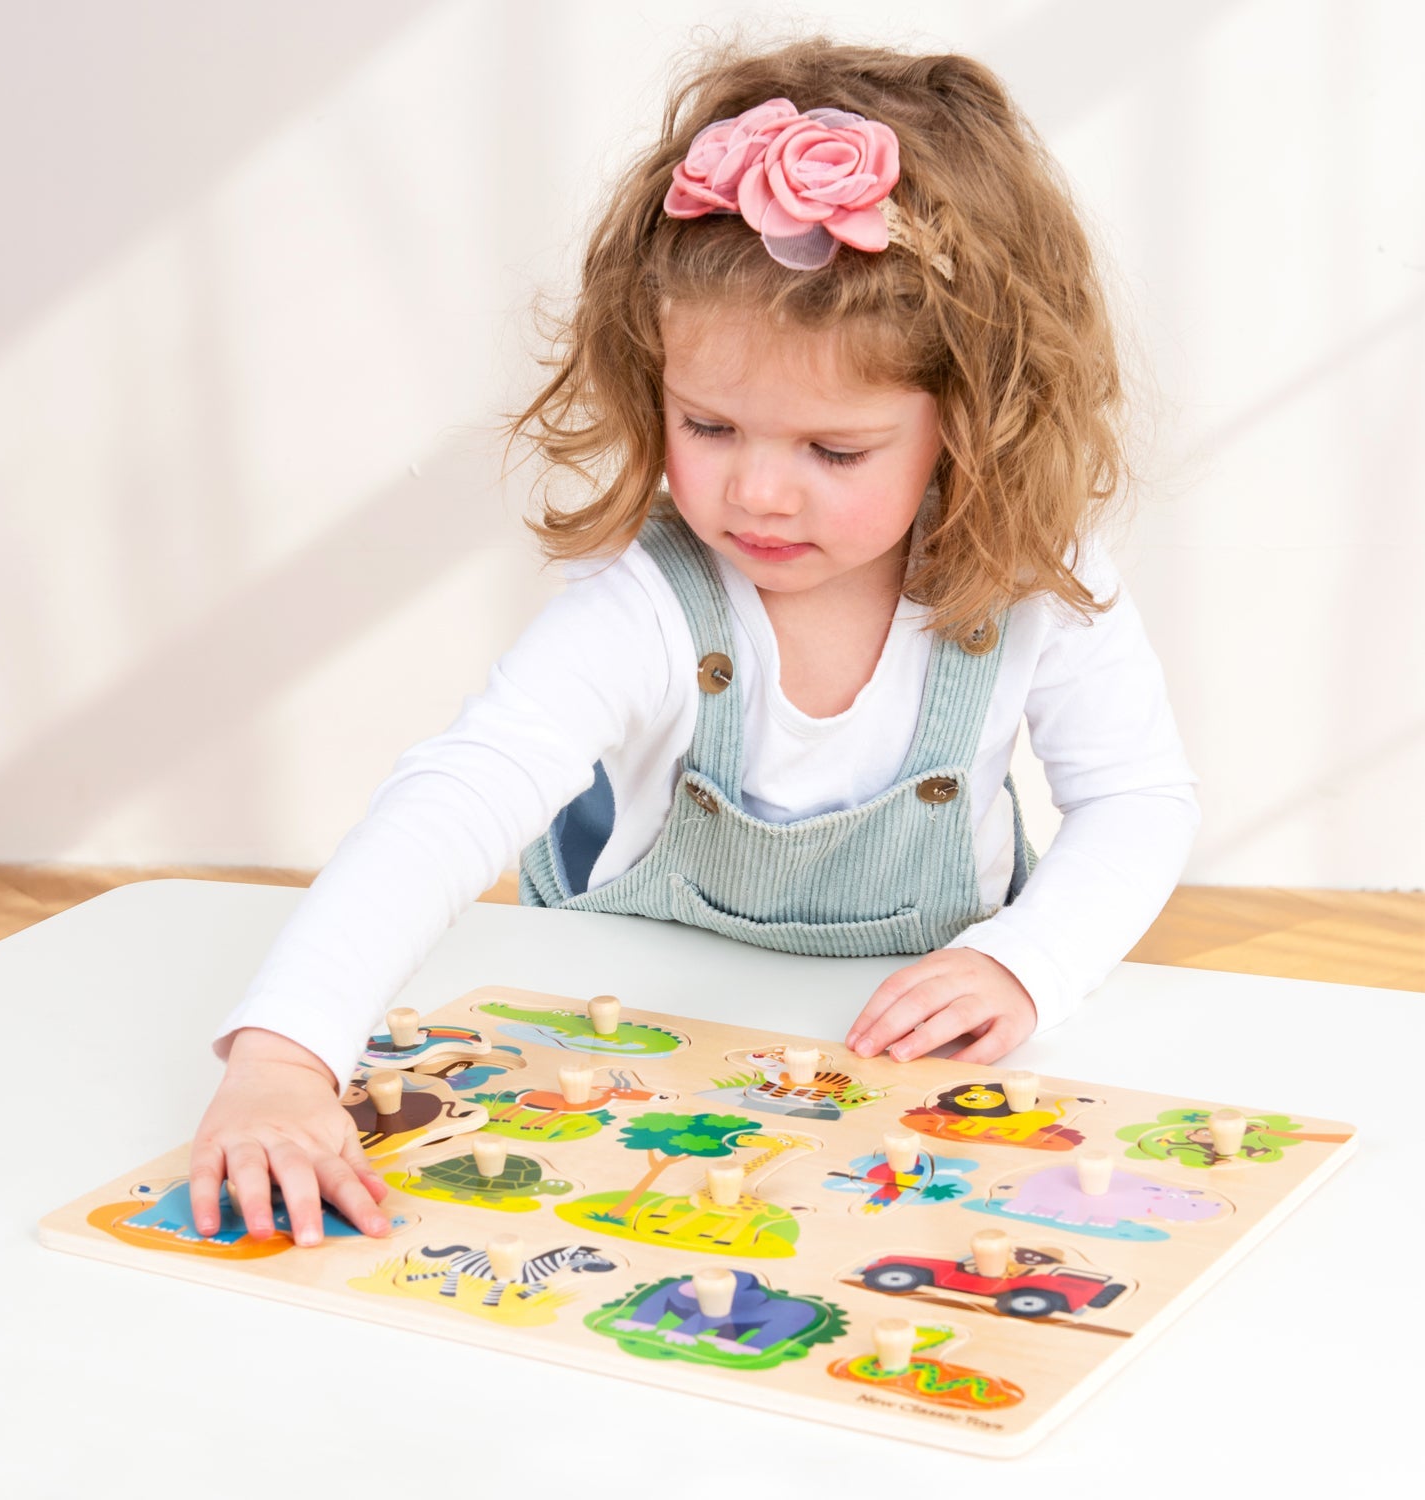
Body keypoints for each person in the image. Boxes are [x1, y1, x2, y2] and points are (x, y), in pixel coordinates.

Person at [191, 38, 1198, 1248]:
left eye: (834, 450)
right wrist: (285, 1053)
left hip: (890, 1079)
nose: (758, 492)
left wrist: (1027, 963)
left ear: (976, 419)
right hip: (615, 1069)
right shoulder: (644, 604)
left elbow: (1138, 799)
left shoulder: (1034, 580)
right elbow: (459, 795)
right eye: (709, 426)